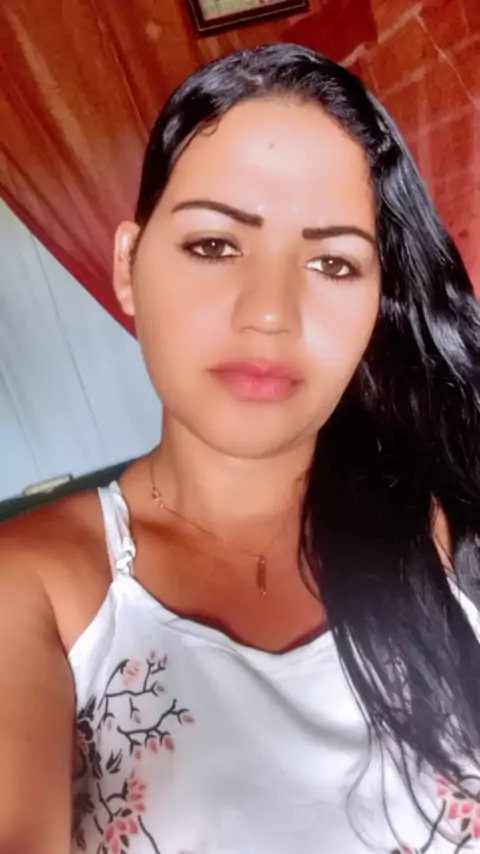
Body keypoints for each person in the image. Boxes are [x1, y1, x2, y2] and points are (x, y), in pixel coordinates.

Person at [1, 42, 480, 854]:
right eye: (215, 246)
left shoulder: (450, 525)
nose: (270, 313)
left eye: (333, 262)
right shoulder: (36, 592)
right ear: (128, 266)